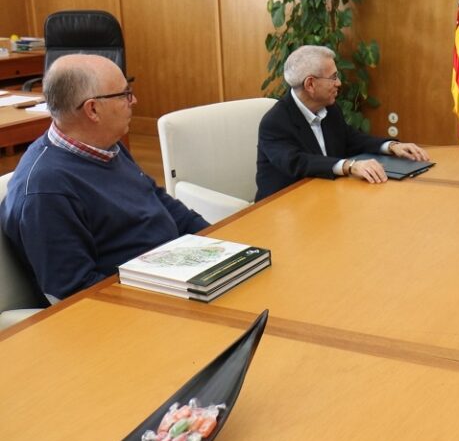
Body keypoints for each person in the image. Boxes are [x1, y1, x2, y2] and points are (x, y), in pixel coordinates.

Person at [0, 54, 209, 302]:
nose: (134, 100)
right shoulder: (45, 190)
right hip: (137, 305)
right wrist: (171, 292)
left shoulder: (105, 145)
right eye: (124, 94)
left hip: (176, 274)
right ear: (93, 109)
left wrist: (220, 246)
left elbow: (164, 205)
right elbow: (75, 291)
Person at [255, 45, 429, 200]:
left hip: (325, 196)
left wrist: (390, 146)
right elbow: (298, 162)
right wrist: (349, 166)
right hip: (284, 207)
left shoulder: (330, 109)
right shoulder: (274, 123)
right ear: (310, 84)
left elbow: (351, 139)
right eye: (333, 77)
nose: (339, 83)